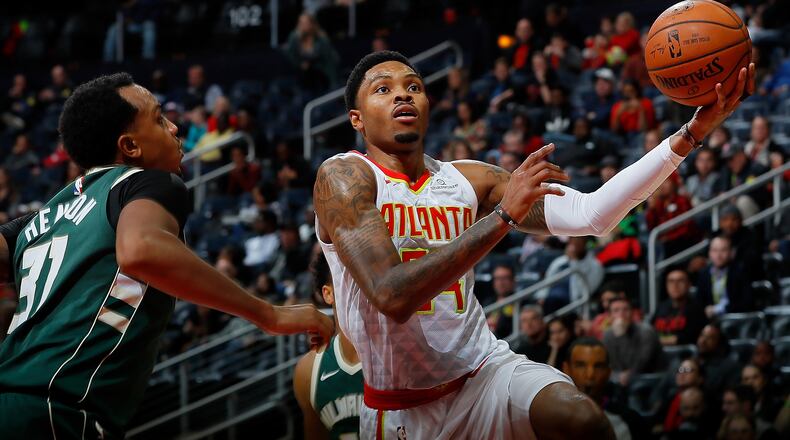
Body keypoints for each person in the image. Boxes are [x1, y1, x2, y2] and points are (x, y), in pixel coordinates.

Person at [313, 50, 754, 438]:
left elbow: (591, 215)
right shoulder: (344, 177)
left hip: (483, 375)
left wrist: (689, 136)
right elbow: (393, 294)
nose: (403, 95)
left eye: (414, 87)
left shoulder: (470, 178)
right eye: (384, 89)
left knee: (581, 419)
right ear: (357, 118)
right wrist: (504, 217)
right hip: (400, 406)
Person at [0, 73, 333, 439]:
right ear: (130, 147)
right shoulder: (145, 181)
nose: (174, 127)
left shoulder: (40, 219)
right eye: (159, 118)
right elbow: (141, 251)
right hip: (57, 411)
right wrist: (269, 314)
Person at [294, 250, 362, 440]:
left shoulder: (399, 357)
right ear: (328, 293)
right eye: (348, 277)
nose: (360, 285)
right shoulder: (309, 370)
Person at [563, 337, 650, 440]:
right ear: (566, 369)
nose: (590, 374)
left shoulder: (631, 421)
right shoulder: (549, 417)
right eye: (581, 365)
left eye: (598, 366)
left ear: (608, 372)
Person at [603, 297, 663, 386]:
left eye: (626, 310)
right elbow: (609, 365)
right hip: (619, 381)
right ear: (610, 316)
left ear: (632, 313)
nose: (621, 314)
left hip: (648, 380)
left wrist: (621, 337)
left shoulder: (646, 332)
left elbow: (639, 366)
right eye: (616, 311)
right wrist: (617, 376)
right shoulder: (607, 335)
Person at [696, 236, 753, 318]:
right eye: (715, 250)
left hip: (736, 318)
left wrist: (719, 309)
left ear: (731, 252)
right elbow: (699, 302)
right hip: (711, 320)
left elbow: (747, 302)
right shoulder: (704, 274)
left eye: (723, 250)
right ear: (709, 253)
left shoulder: (740, 271)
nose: (718, 255)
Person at [653, 268, 707, 346]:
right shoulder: (661, 307)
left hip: (685, 355)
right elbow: (651, 333)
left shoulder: (696, 309)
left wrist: (657, 341)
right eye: (671, 281)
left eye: (680, 281)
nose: (675, 285)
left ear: (689, 284)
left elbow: (689, 339)